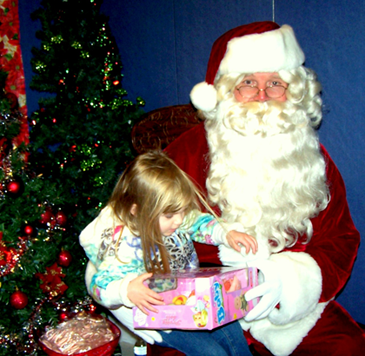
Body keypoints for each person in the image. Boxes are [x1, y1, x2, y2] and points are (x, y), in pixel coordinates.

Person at [161, 21, 365, 355]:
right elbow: (133, 223)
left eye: (274, 83)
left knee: (346, 347)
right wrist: (127, 291)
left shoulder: (310, 159)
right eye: (247, 83)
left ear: (293, 91)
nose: (261, 95)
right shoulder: (183, 153)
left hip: (293, 311)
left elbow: (341, 240)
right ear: (225, 92)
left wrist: (286, 284)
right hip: (202, 310)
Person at [79, 151, 260, 356]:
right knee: (211, 352)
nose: (179, 220)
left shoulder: (172, 214)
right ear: (137, 211)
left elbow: (196, 221)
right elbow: (99, 284)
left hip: (188, 295)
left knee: (232, 330)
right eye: (170, 215)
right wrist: (125, 290)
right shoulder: (124, 245)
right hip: (159, 313)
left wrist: (225, 233)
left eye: (182, 211)